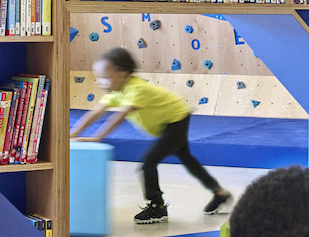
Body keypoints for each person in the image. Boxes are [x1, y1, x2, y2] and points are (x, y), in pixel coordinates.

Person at [68, 46, 232, 225]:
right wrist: (73, 132)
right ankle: (220, 194)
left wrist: (97, 137)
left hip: (175, 120)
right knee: (187, 159)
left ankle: (157, 206)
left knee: (148, 164)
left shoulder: (137, 89)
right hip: (169, 121)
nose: (101, 83)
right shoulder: (118, 91)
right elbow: (96, 112)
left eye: (105, 77)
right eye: (99, 78)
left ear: (122, 74)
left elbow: (119, 116)